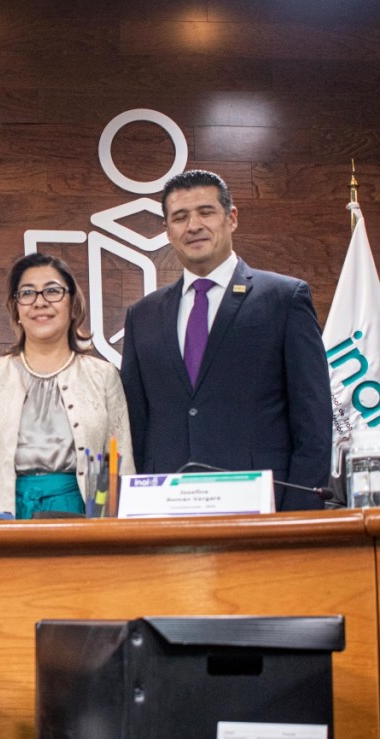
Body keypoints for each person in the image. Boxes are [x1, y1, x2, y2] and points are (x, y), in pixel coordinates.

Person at [119, 169, 331, 511]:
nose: (193, 226)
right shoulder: (142, 315)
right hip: (163, 511)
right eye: (180, 217)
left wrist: (297, 515)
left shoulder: (284, 299)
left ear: (231, 218)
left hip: (262, 510)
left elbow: (314, 421)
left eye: (206, 212)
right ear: (167, 231)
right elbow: (135, 425)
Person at [0, 253, 133, 518]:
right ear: (16, 309)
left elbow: (121, 466)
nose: (39, 302)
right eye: (27, 293)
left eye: (52, 291)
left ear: (73, 304)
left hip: (79, 516)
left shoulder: (103, 375)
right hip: (0, 519)